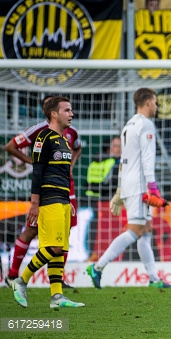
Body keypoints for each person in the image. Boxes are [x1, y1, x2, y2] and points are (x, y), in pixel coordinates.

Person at [86, 88, 171, 289]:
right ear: (148, 102)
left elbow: (125, 161)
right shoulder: (146, 124)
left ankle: (153, 279)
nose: (157, 106)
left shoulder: (129, 125)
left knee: (146, 230)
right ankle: (97, 267)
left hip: (129, 183)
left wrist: (119, 190)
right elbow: (146, 160)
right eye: (156, 102)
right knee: (134, 231)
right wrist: (153, 188)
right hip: (140, 186)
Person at [11, 96, 85, 308]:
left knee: (60, 249)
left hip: (61, 200)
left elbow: (63, 174)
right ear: (54, 114)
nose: (71, 114)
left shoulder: (63, 141)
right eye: (67, 110)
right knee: (52, 247)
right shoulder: (42, 138)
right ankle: (21, 280)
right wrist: (34, 203)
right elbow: (38, 171)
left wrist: (67, 200)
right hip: (48, 200)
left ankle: (57, 296)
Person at [85, 136, 121, 261]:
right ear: (110, 148)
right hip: (105, 202)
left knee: (94, 231)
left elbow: (88, 183)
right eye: (117, 146)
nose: (119, 149)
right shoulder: (113, 163)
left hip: (90, 201)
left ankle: (92, 255)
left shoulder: (94, 162)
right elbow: (112, 185)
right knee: (107, 233)